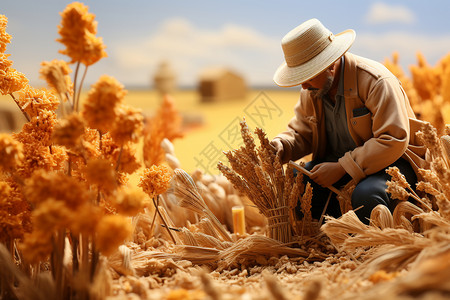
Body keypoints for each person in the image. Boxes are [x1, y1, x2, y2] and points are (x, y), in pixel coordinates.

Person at [270, 18, 427, 224]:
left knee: (367, 196)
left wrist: (341, 168)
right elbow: (302, 133)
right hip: (337, 165)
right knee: (295, 181)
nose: (304, 86)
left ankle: (369, 242)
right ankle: (330, 234)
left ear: (330, 65)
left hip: (392, 165)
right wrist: (281, 146)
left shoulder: (377, 82)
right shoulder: (313, 90)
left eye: (307, 76)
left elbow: (392, 140)